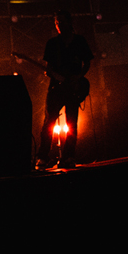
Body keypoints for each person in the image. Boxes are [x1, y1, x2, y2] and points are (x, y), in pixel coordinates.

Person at [36, 10, 92, 170]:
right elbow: (48, 68)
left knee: (71, 123)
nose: (59, 25)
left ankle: (68, 157)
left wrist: (78, 77)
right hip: (56, 88)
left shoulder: (79, 41)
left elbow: (87, 63)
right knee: (49, 122)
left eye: (61, 21)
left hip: (73, 88)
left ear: (69, 22)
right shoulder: (52, 43)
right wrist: (50, 73)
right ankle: (42, 157)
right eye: (56, 23)